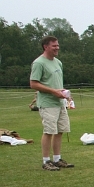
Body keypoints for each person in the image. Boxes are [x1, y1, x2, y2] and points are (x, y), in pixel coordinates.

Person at [29, 36, 74, 171]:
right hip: (47, 103)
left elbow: (56, 83)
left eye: (57, 45)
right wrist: (53, 91)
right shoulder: (39, 63)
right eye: (54, 46)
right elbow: (33, 84)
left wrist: (64, 94)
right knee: (49, 131)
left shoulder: (58, 63)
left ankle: (57, 159)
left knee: (60, 131)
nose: (57, 48)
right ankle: (46, 161)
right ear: (46, 47)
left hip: (60, 102)